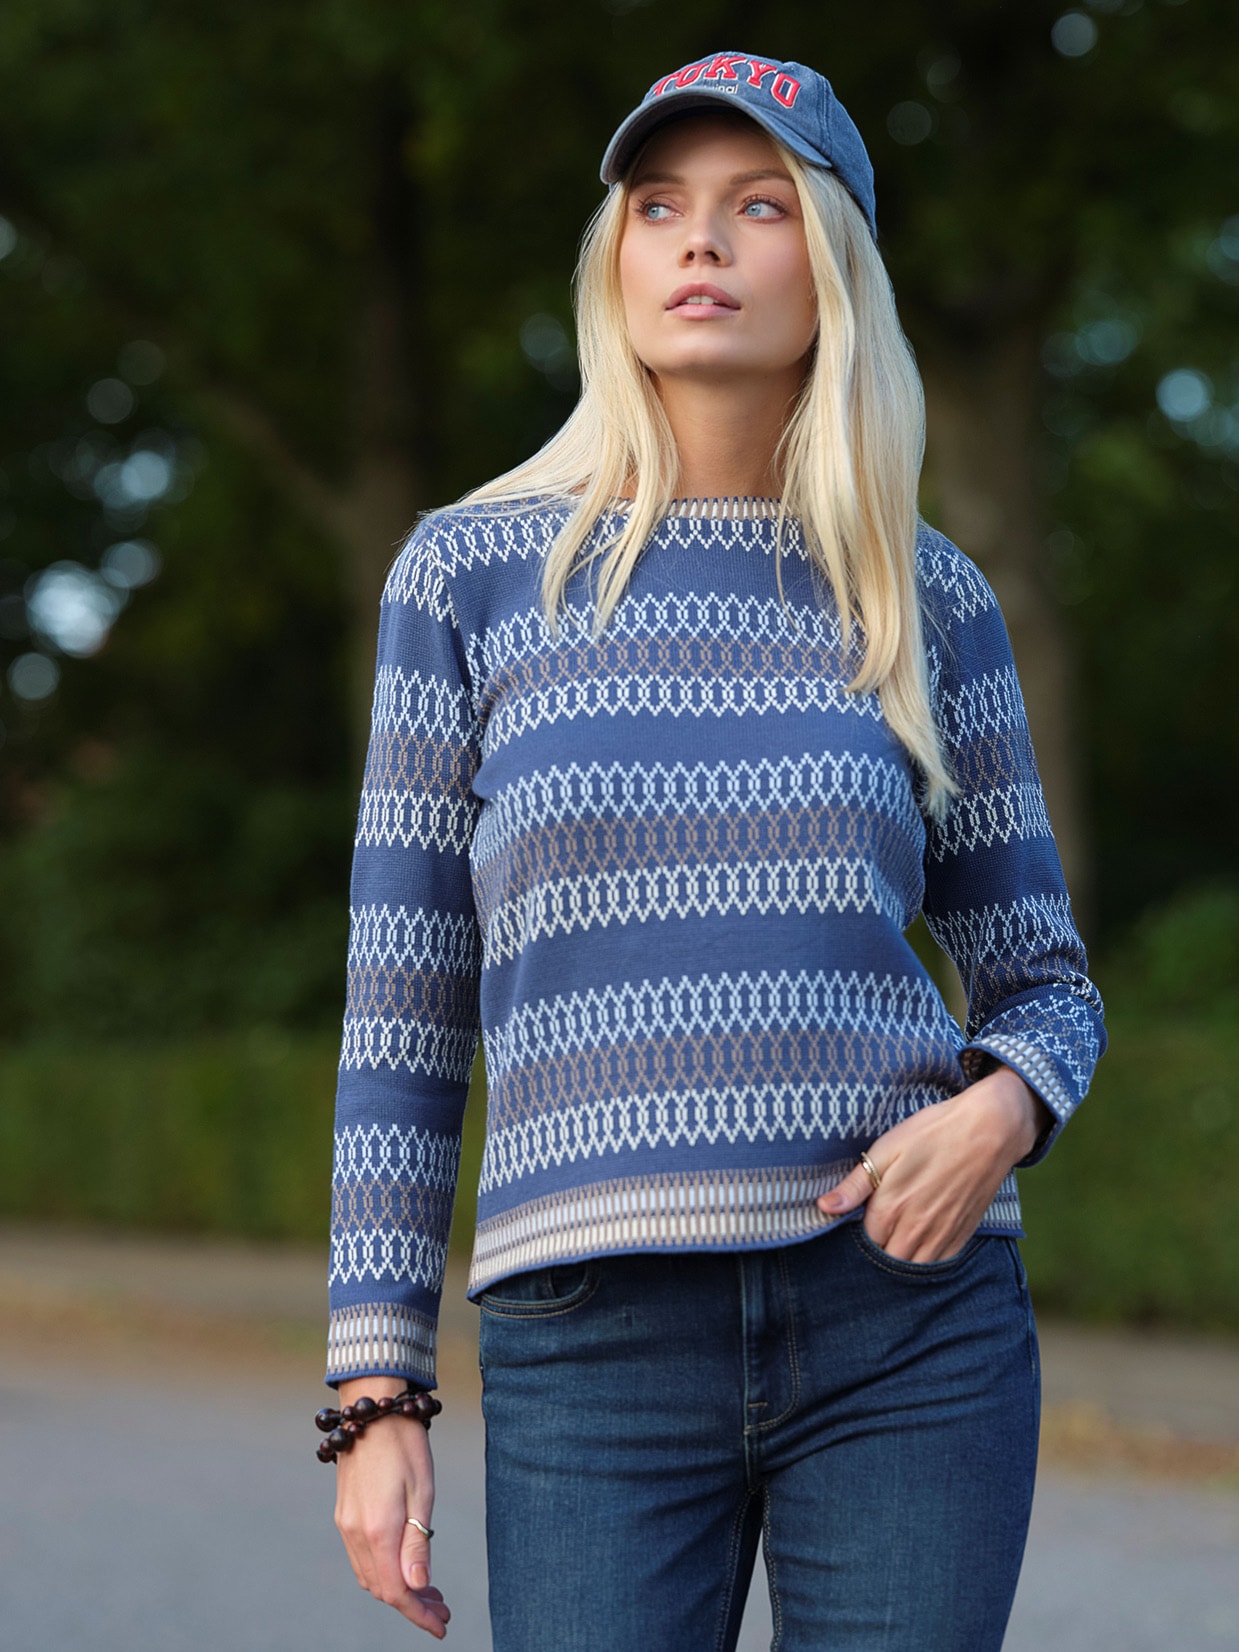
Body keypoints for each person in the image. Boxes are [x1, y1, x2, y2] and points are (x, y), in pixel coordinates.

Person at [324, 49, 1106, 1652]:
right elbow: (405, 1009)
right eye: (660, 206)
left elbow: (1047, 984)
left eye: (759, 207)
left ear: (833, 267)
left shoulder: (928, 598)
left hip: (908, 1321)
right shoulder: (468, 580)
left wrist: (1001, 1113)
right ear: (613, 261)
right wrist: (373, 1387)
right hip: (590, 1338)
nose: (700, 241)